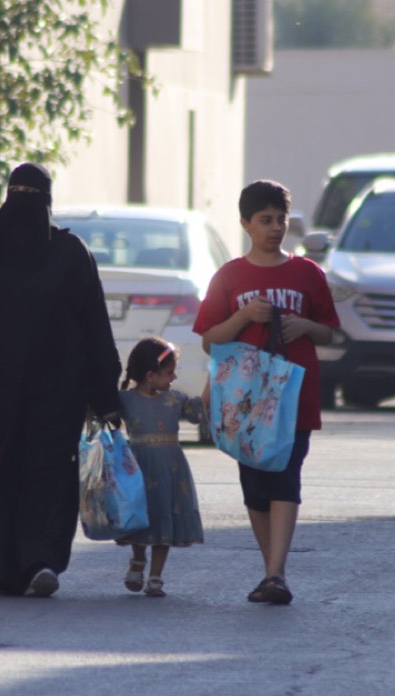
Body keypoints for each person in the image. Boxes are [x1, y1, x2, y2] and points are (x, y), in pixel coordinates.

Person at [0, 162, 121, 598]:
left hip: (55, 393)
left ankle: (38, 562)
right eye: (17, 194)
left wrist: (105, 395)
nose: (23, 206)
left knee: (46, 473)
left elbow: (93, 324)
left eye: (30, 196)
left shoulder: (70, 253)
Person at [192, 179, 340, 605]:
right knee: (255, 488)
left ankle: (277, 573)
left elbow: (329, 332)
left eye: (281, 220)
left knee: (285, 478)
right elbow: (210, 340)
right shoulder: (230, 276)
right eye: (265, 220)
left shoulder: (307, 273)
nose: (275, 228)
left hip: (294, 397)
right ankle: (270, 570)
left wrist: (305, 326)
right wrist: (243, 317)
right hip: (244, 400)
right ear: (245, 224)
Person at [116, 338, 205, 598]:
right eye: (169, 372)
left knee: (164, 514)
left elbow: (198, 413)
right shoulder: (125, 400)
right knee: (140, 515)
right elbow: (102, 414)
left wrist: (215, 382)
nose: (174, 377)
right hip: (138, 469)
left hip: (169, 470)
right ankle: (137, 560)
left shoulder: (175, 400)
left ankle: (155, 577)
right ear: (150, 375)